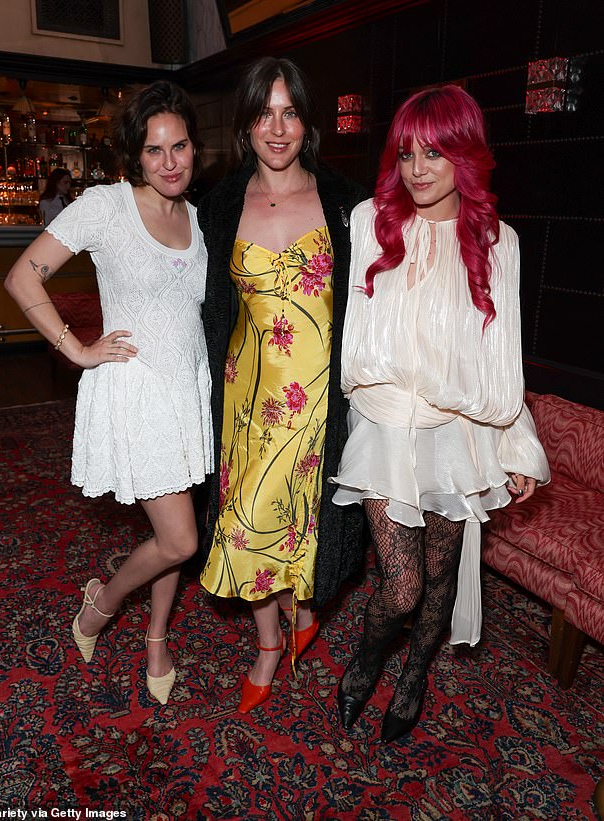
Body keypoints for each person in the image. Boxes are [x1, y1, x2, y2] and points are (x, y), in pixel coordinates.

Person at [330, 85, 550, 743]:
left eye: (435, 151)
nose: (418, 168)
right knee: (398, 588)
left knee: (438, 578)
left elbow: (500, 357)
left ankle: (416, 672)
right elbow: (352, 332)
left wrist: (517, 443)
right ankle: (367, 661)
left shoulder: (496, 241)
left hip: (456, 430)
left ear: (466, 156)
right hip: (383, 422)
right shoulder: (371, 220)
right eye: (406, 153)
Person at [4, 80, 212, 706]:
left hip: (188, 391)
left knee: (177, 530)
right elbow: (23, 276)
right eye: (154, 151)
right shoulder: (106, 206)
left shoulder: (199, 219)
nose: (169, 162)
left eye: (179, 146)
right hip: (138, 393)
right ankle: (103, 602)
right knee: (180, 539)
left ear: (195, 149)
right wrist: (77, 348)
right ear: (135, 155)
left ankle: (155, 637)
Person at [199, 57, 366, 713]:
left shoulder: (347, 204)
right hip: (247, 395)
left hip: (320, 399)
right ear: (246, 124)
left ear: (307, 121)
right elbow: (202, 304)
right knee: (244, 525)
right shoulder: (217, 206)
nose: (277, 127)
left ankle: (300, 616)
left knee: (304, 524)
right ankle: (269, 640)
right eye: (264, 112)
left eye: (289, 111)